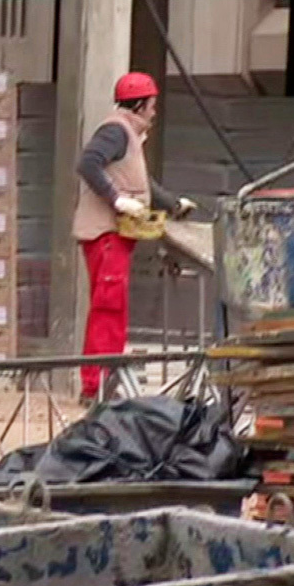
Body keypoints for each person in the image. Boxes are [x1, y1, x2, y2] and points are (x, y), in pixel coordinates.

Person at [72, 72, 195, 402]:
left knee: (115, 310)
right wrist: (116, 200)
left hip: (116, 236)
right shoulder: (116, 131)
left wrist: (173, 204)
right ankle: (95, 386)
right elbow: (88, 163)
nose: (154, 112)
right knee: (108, 309)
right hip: (106, 234)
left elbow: (141, 182)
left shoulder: (129, 136)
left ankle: (106, 382)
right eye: (152, 105)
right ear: (139, 105)